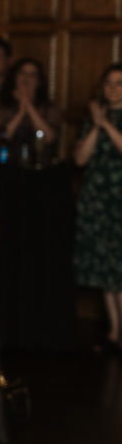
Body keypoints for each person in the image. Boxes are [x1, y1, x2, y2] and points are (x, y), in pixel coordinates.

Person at [74, 64, 122, 351]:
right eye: (109, 83)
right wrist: (95, 123)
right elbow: (80, 158)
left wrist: (104, 123)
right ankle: (114, 331)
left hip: (120, 199)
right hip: (97, 199)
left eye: (119, 83)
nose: (113, 88)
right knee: (105, 266)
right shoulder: (92, 118)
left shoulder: (107, 119)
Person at [0, 57, 62, 168]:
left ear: (39, 81)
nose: (26, 79)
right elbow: (2, 138)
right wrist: (21, 112)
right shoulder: (3, 105)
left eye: (32, 75)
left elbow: (49, 138)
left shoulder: (49, 107)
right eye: (22, 73)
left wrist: (29, 107)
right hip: (9, 167)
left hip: (41, 168)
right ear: (15, 77)